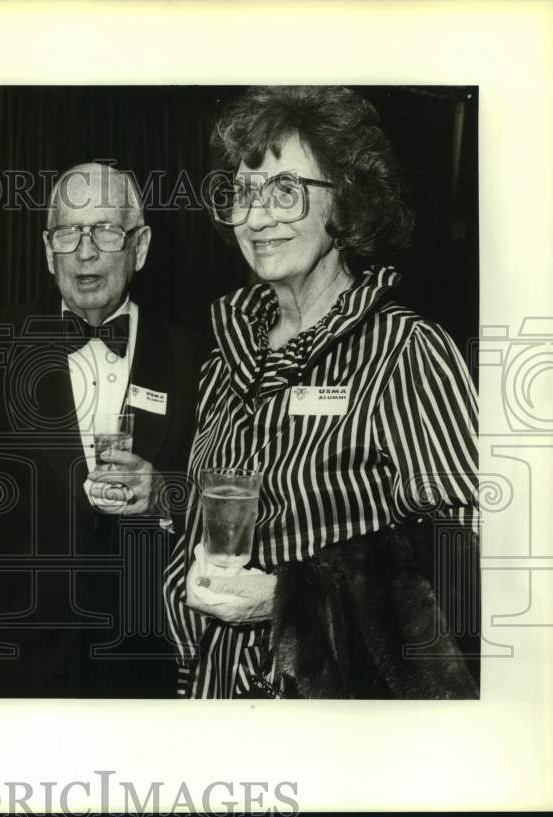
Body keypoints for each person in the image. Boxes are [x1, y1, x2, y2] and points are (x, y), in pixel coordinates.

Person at [164, 86, 480, 699]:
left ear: (348, 201)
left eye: (286, 190)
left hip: (336, 714)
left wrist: (289, 601)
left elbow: (464, 563)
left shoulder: (403, 352)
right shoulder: (225, 359)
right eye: (244, 193)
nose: (256, 218)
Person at [0, 163, 202, 697]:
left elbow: (227, 497)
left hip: (141, 667)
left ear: (140, 246)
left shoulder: (195, 356)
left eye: (106, 230)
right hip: (8, 669)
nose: (86, 251)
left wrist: (166, 495)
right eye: (68, 232)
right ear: (48, 250)